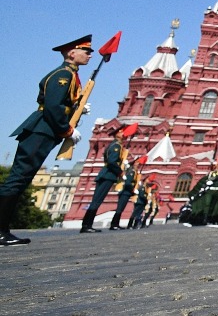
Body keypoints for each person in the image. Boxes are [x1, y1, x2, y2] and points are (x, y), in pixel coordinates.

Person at [0, 35, 91, 246]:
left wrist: (78, 109)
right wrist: (67, 130)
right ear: (72, 53)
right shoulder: (63, 74)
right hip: (41, 130)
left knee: (21, 179)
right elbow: (52, 106)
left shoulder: (70, 75)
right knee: (18, 179)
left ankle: (3, 229)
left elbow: (61, 103)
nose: (88, 55)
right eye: (85, 51)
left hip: (45, 131)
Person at [82, 127, 128, 233]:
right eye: (121, 132)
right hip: (107, 175)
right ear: (116, 134)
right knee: (96, 201)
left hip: (107, 175)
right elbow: (112, 162)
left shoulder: (116, 145)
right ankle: (86, 225)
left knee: (97, 201)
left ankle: (87, 225)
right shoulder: (116, 146)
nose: (123, 133)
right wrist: (120, 172)